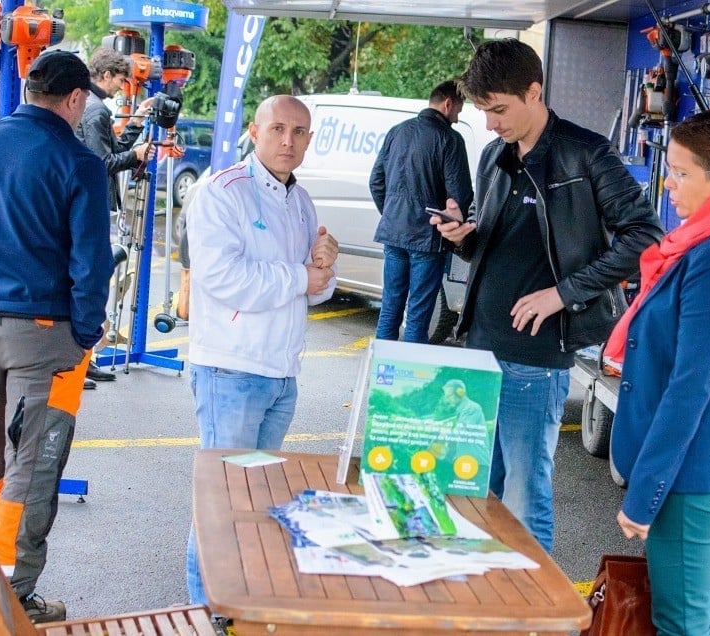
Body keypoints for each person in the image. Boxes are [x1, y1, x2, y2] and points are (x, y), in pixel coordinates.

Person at [433, 39, 664, 551]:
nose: (490, 124)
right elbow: (501, 244)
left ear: (534, 92)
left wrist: (562, 294)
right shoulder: (494, 155)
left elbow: (645, 236)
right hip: (479, 346)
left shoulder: (585, 152)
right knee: (474, 490)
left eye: (498, 110)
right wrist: (463, 236)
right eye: (483, 111)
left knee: (523, 494)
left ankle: (534, 623)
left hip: (534, 359)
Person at [605, 108, 710, 635]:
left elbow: (690, 388)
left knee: (681, 619)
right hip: (701, 461)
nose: (668, 183)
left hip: (692, 469)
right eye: (669, 168)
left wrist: (644, 496)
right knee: (696, 613)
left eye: (681, 173)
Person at [0, 50, 114, 623]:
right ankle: (12, 596)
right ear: (75, 99)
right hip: (43, 335)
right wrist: (85, 332)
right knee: (34, 464)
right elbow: (91, 262)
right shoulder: (77, 162)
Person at [184, 95, 339, 613]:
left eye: (299, 132)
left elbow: (311, 291)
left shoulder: (302, 201)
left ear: (310, 140)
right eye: (277, 128)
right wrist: (302, 276)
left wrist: (322, 268)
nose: (288, 141)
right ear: (254, 131)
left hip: (280, 373)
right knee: (220, 504)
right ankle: (207, 614)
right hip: (231, 369)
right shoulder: (222, 192)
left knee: (259, 504)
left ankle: (239, 610)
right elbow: (222, 278)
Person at [369, 80, 473, 343]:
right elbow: (459, 197)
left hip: (393, 234)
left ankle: (382, 376)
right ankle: (407, 380)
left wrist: (392, 213)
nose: (458, 117)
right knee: (417, 315)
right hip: (428, 240)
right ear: (448, 104)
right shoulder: (450, 139)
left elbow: (376, 181)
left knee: (390, 308)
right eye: (459, 110)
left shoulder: (396, 132)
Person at [76, 47, 155, 385]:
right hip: (92, 204)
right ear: (105, 75)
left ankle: (85, 357)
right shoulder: (95, 112)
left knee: (91, 282)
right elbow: (102, 163)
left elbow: (113, 151)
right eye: (121, 79)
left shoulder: (94, 109)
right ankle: (82, 359)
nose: (124, 86)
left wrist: (136, 122)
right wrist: (135, 154)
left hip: (90, 203)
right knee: (90, 282)